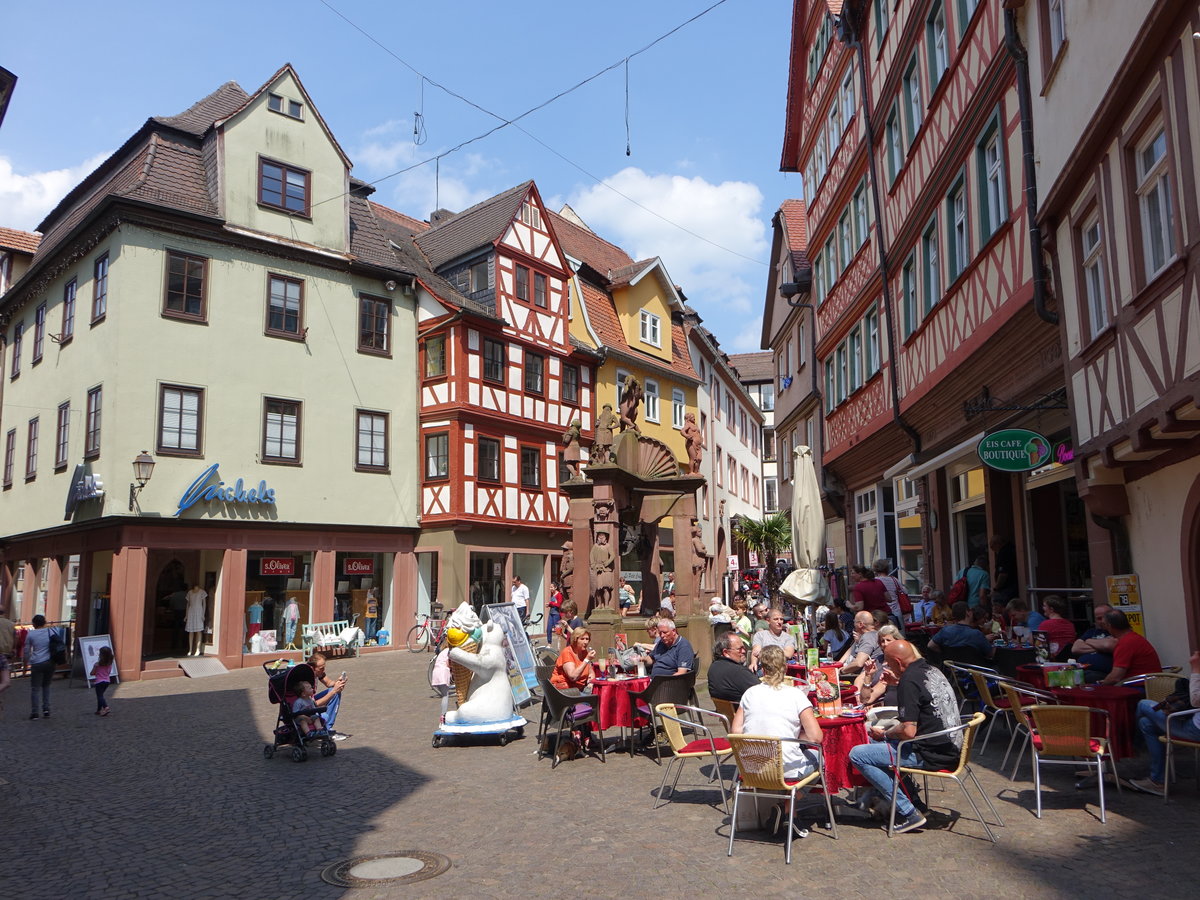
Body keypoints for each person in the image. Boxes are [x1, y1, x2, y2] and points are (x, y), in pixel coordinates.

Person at [849, 639, 963, 834]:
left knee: (858, 754)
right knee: (880, 747)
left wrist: (885, 734)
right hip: (951, 745)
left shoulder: (909, 682)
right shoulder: (931, 670)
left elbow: (908, 732)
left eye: (888, 663)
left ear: (899, 663)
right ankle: (914, 801)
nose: (885, 666)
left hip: (930, 753)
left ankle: (908, 812)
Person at [731, 645, 824, 838]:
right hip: (783, 770)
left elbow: (735, 731)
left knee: (791, 757)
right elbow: (816, 737)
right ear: (786, 667)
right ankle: (789, 807)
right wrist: (794, 737)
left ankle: (790, 812)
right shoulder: (796, 695)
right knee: (818, 755)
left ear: (762, 669)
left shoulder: (749, 694)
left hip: (752, 768)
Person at [1130, 650, 1200, 796]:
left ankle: (1133, 746)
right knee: (1146, 723)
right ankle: (1157, 781)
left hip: (1195, 730)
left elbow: (1196, 699)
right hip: (1192, 721)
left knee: (1143, 704)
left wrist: (1196, 669)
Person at [1098, 609, 1162, 685]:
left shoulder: (1125, 644)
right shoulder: (1133, 638)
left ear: (1109, 626)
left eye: (1105, 625)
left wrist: (1102, 685)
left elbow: (1115, 678)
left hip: (1142, 687)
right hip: (1152, 684)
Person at [927, 602, 995, 661]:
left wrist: (946, 654)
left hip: (953, 671)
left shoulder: (945, 630)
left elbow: (930, 645)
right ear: (968, 613)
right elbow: (991, 654)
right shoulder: (976, 634)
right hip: (974, 672)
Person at [306, 652, 348, 740]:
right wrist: (334, 691)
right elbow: (314, 704)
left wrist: (338, 682)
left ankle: (327, 726)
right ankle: (326, 730)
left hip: (311, 701)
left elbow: (329, 683)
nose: (323, 670)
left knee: (335, 691)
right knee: (334, 692)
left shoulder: (318, 673)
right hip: (305, 705)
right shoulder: (306, 679)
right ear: (312, 668)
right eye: (321, 668)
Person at [707, 632, 759, 704]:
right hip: (744, 713)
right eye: (740, 649)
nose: (744, 651)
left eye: (744, 647)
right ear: (726, 652)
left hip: (726, 713)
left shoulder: (713, 667)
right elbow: (763, 693)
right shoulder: (738, 672)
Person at [22, 614, 56, 719]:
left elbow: (26, 651)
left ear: (34, 623)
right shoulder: (51, 632)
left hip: (36, 662)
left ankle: (35, 712)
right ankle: (46, 710)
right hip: (50, 662)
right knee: (46, 686)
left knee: (35, 688)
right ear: (44, 622)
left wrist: (26, 663)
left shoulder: (31, 635)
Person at [1072, 604, 1116, 683]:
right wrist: (1101, 646)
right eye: (1099, 618)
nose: (1102, 621)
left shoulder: (1116, 632)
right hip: (1080, 669)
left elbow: (1109, 646)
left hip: (1101, 673)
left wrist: (1088, 641)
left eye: (1105, 617)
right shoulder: (1091, 632)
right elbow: (1075, 648)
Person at [839, 611, 883, 676]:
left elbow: (858, 663)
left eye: (854, 621)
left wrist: (841, 671)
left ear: (860, 624)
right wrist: (839, 663)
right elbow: (851, 649)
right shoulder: (869, 635)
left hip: (863, 677)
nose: (853, 624)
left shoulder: (868, 637)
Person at [872, 559, 905, 624]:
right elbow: (904, 591)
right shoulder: (894, 579)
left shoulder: (875, 581)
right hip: (896, 611)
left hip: (881, 613)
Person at [989, 535, 1019, 605]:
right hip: (1012, 586)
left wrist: (996, 589)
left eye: (993, 547)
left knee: (1002, 606)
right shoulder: (1010, 549)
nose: (994, 551)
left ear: (998, 544)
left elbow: (1003, 574)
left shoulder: (1004, 553)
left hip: (1008, 588)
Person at [91, 645, 115, 717]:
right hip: (107, 681)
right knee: (100, 696)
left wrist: (95, 670)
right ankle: (98, 710)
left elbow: (92, 673)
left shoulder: (97, 664)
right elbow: (108, 672)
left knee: (99, 696)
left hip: (99, 682)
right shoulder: (109, 664)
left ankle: (106, 707)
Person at [185, 584, 207, 656]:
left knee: (198, 631)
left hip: (199, 612)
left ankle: (198, 649)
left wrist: (203, 614)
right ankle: (190, 649)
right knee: (190, 632)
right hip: (191, 612)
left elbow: (204, 604)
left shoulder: (202, 592)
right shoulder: (190, 592)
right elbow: (188, 604)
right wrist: (186, 615)